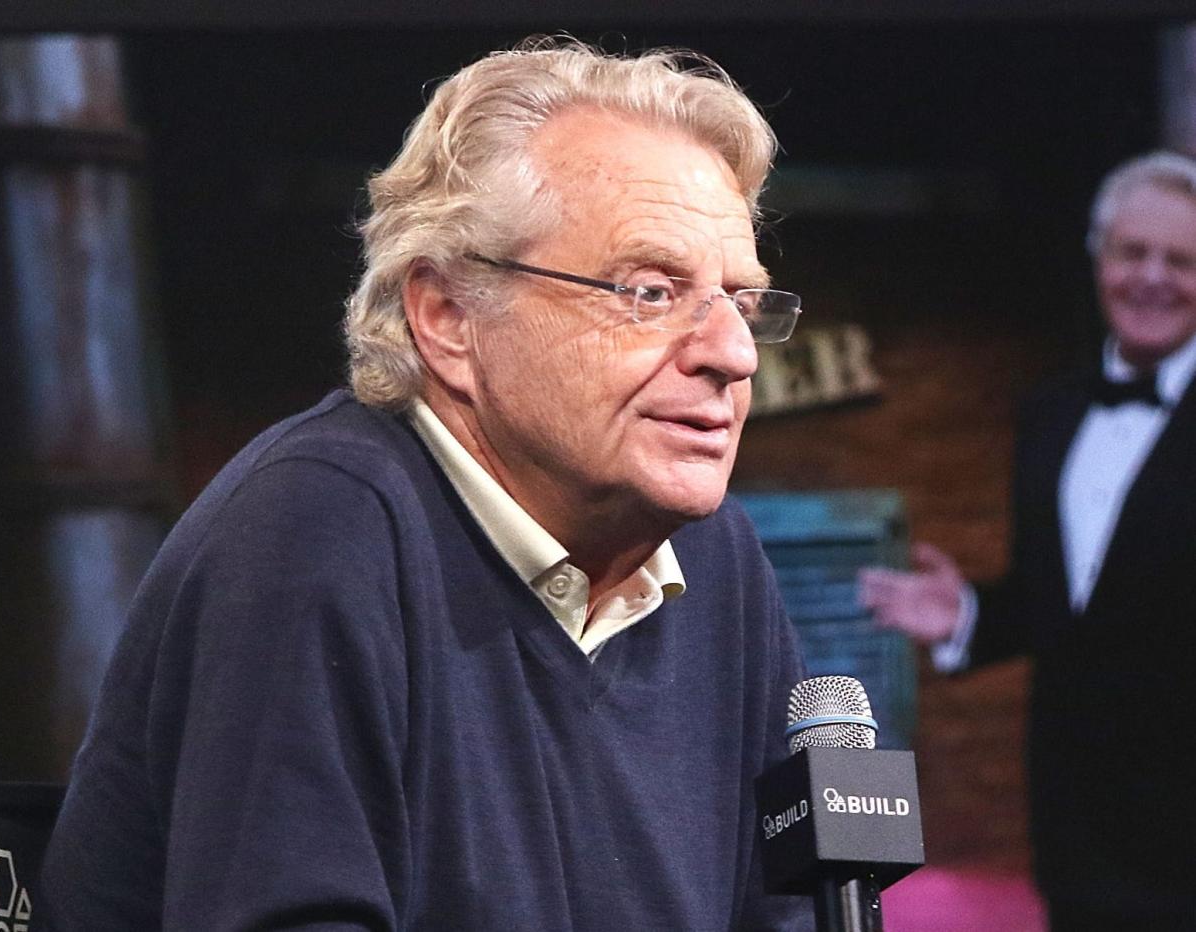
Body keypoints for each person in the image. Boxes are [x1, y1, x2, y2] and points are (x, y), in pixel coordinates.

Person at [40, 37, 816, 931]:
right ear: (447, 317)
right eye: (648, 291)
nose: (731, 353)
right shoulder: (316, 527)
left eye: (742, 301)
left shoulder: (716, 561)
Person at [859, 150, 1196, 931]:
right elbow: (1074, 611)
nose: (1152, 277)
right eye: (1132, 252)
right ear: (1098, 257)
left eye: (1181, 259)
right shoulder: (1050, 417)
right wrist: (973, 614)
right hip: (1075, 832)